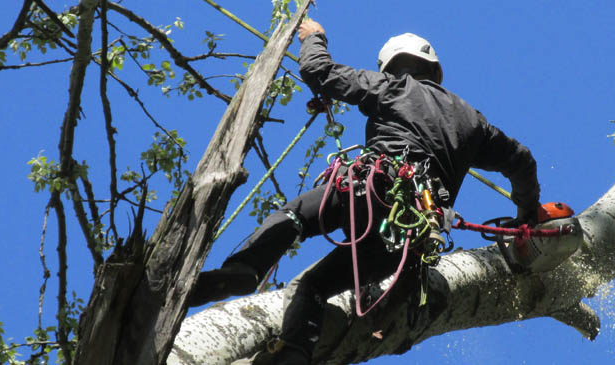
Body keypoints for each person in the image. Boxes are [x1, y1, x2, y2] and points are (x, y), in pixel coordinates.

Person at [188, 19, 541, 363]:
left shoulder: (391, 87)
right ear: (436, 72)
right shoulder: (473, 123)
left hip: (370, 191)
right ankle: (294, 355)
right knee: (313, 287)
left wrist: (314, 37)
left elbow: (317, 70)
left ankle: (245, 270)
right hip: (406, 237)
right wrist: (526, 215)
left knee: (293, 217)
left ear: (393, 68)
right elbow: (522, 161)